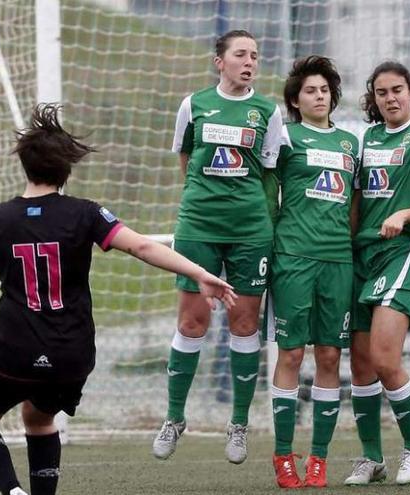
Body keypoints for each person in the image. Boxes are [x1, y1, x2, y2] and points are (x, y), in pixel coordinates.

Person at [0, 103, 237, 495]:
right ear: (67, 169)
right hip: (71, 352)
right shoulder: (85, 214)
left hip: (13, 349)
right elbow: (140, 247)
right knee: (39, 419)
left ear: (26, 166)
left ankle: (12, 491)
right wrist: (200, 273)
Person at [152, 29, 283, 463]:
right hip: (198, 227)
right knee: (192, 323)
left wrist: (260, 220)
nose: (250, 62)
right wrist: (203, 202)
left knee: (245, 325)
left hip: (249, 230)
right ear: (219, 61)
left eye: (255, 56)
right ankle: (174, 418)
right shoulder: (194, 105)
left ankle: (239, 424)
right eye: (241, 54)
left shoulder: (267, 111)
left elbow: (268, 172)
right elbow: (186, 160)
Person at [344, 61, 410, 486]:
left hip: (400, 253)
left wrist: (406, 214)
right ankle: (372, 458)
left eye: (397, 90)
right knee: (362, 366)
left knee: (386, 359)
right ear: (374, 98)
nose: (390, 98)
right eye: (382, 92)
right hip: (360, 257)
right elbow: (354, 205)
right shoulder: (364, 139)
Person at [266, 55, 359, 488]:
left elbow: (355, 207)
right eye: (310, 91)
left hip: (338, 261)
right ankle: (284, 455)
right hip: (293, 257)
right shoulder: (285, 137)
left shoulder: (350, 143)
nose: (319, 96)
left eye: (324, 90)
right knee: (290, 354)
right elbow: (267, 191)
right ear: (295, 100)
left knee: (329, 356)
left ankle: (319, 459)